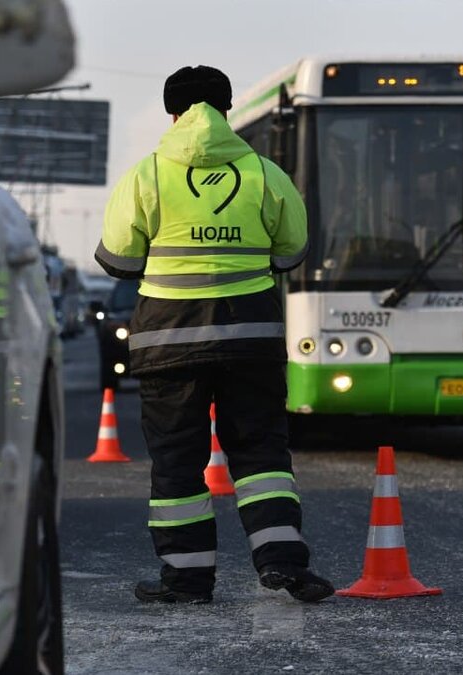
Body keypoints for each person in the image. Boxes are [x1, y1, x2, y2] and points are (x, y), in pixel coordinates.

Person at [94, 65, 333, 604]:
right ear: (226, 110)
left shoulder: (147, 175)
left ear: (171, 113)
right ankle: (281, 564)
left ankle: (187, 581)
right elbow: (292, 252)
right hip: (250, 340)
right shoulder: (266, 174)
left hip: (167, 345)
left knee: (178, 462)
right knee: (262, 455)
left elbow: (116, 259)